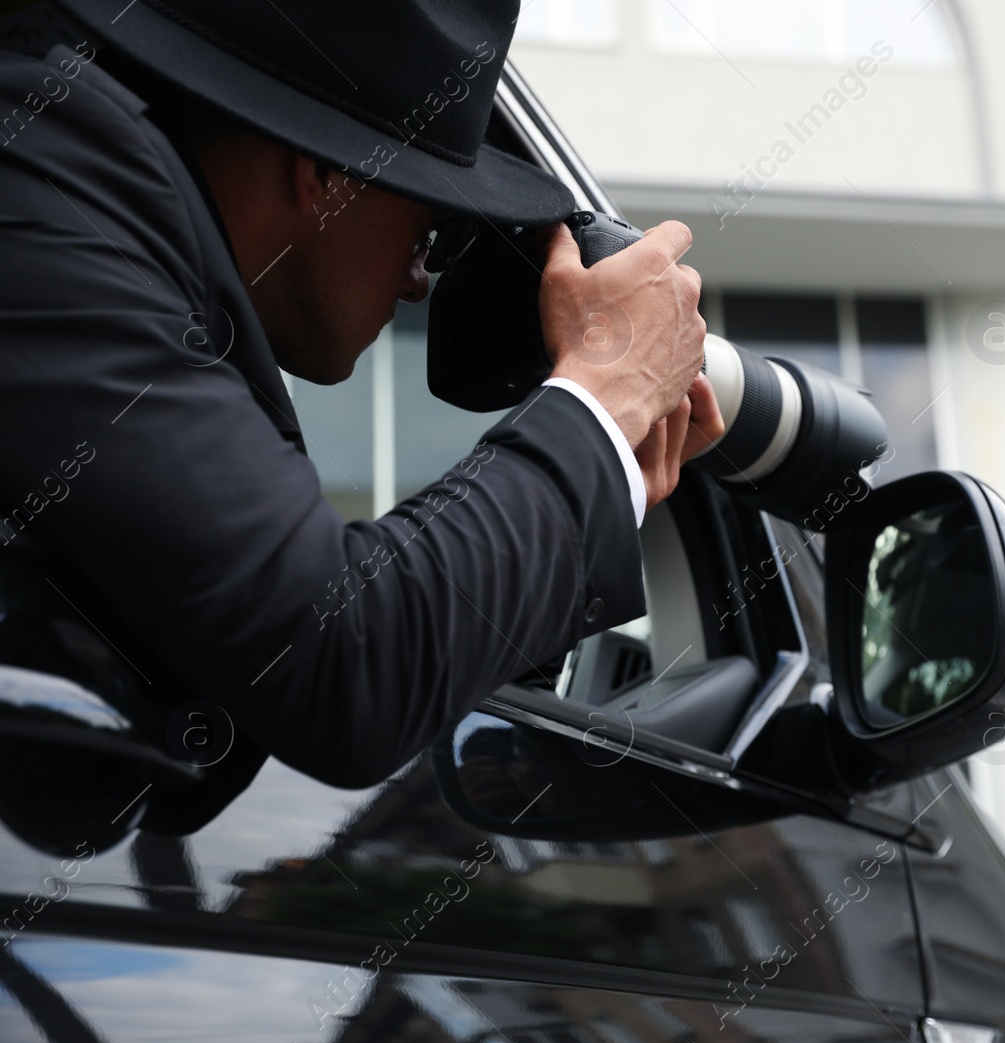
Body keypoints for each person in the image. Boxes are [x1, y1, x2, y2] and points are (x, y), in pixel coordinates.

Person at [0, 0, 720, 795]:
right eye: (432, 232)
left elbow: (243, 660)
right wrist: (602, 406)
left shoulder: (93, 212)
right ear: (325, 172)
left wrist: (598, 462)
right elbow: (337, 662)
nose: (420, 283)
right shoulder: (41, 187)